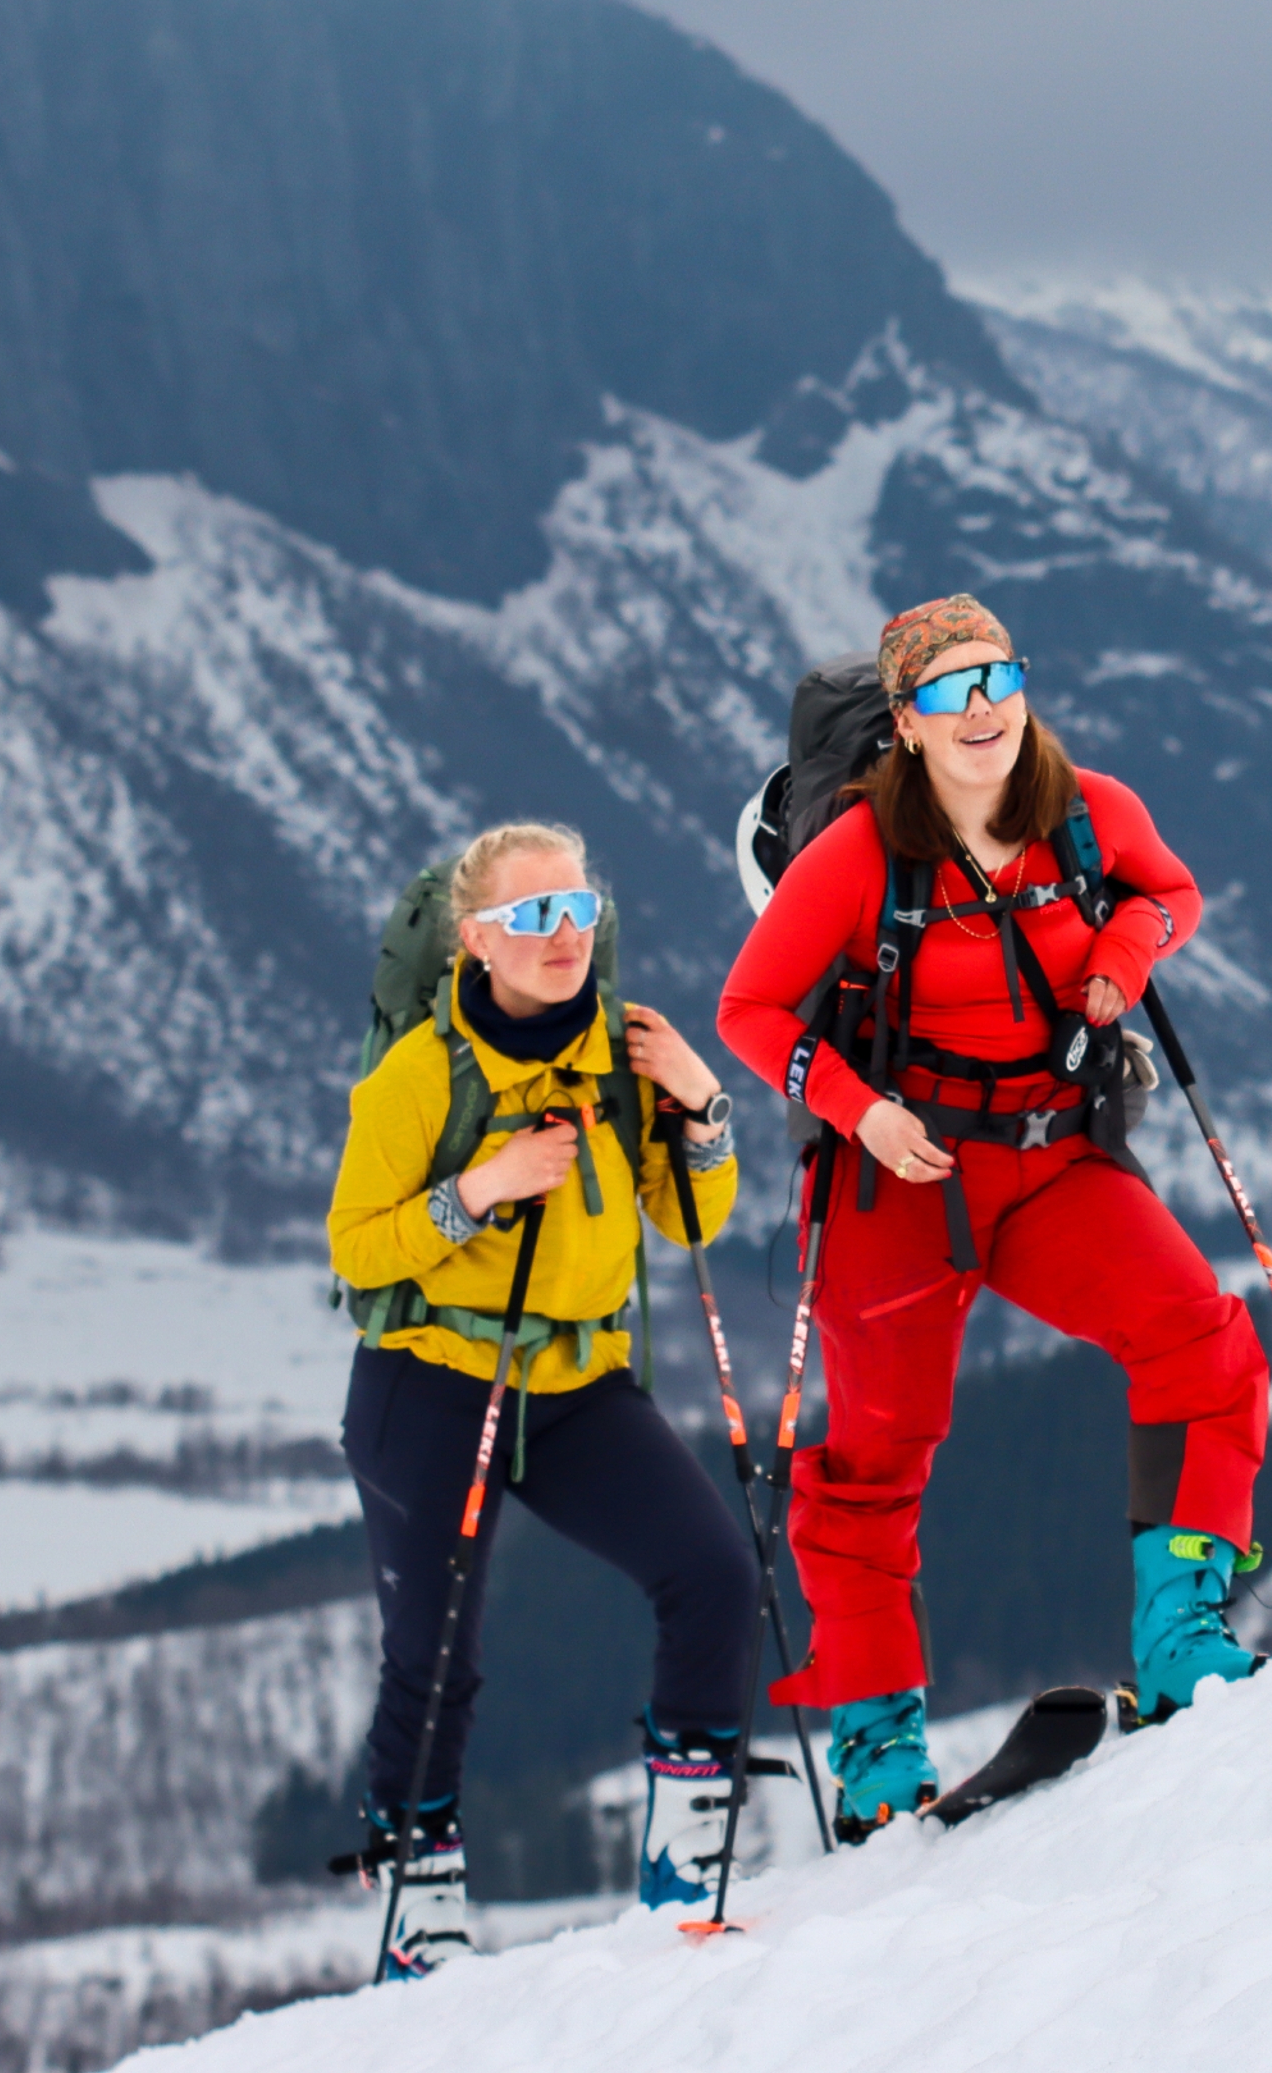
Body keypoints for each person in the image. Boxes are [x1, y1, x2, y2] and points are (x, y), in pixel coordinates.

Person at [719, 593, 1269, 1837]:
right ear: (906, 720)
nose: (983, 710)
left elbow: (1171, 893)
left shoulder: (1087, 810)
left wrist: (1124, 957)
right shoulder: (856, 855)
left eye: (999, 678)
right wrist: (859, 1110)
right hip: (896, 1184)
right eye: (949, 690)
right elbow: (749, 1011)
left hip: (1051, 1158)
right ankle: (877, 1745)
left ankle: (1181, 1633)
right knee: (875, 1454)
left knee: (1201, 1339)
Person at [326, 821, 757, 1972]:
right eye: (532, 915)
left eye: (579, 909)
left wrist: (704, 1107)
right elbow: (356, 1246)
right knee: (435, 1653)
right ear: (476, 937)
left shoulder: (626, 1049)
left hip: (574, 1384)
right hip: (429, 1382)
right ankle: (419, 1912)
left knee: (714, 1574)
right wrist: (480, 1189)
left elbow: (689, 1218)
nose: (565, 934)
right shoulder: (420, 1075)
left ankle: (687, 1858)